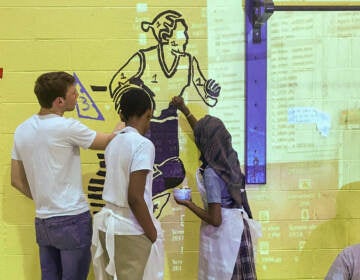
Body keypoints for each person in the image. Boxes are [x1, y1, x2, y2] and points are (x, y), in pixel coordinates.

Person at [10, 71, 119, 280]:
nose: (77, 96)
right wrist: (120, 129)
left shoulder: (21, 130)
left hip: (43, 221)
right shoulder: (67, 127)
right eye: (73, 93)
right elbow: (105, 142)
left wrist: (44, 196)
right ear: (60, 101)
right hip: (72, 219)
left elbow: (15, 180)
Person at [108, 10, 221, 197]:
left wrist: (211, 91)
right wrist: (130, 102)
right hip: (147, 128)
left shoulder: (189, 62)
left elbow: (206, 94)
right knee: (142, 170)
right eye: (182, 33)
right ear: (165, 36)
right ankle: (137, 198)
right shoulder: (144, 59)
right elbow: (115, 85)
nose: (185, 37)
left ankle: (137, 197)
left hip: (169, 131)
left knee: (175, 171)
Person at [171, 96, 261, 280]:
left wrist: (188, 204)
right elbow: (204, 134)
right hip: (240, 232)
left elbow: (215, 218)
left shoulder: (211, 173)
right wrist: (184, 109)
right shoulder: (229, 159)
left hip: (226, 238)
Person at [92, 86, 164, 280]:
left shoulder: (113, 142)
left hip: (107, 227)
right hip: (131, 230)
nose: (149, 124)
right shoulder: (143, 145)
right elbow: (134, 197)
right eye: (149, 118)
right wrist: (153, 233)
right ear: (147, 114)